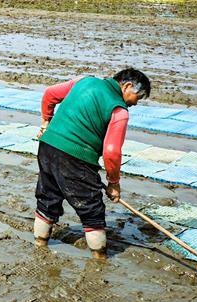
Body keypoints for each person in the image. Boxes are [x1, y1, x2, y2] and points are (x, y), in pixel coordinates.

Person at [33, 68, 151, 258]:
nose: (136, 103)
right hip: (75, 157)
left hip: (47, 147)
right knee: (91, 210)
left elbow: (50, 94)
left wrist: (46, 122)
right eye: (138, 96)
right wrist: (113, 183)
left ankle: (40, 244)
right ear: (127, 86)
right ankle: (99, 259)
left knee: (48, 198)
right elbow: (111, 151)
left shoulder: (83, 81)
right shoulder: (119, 110)